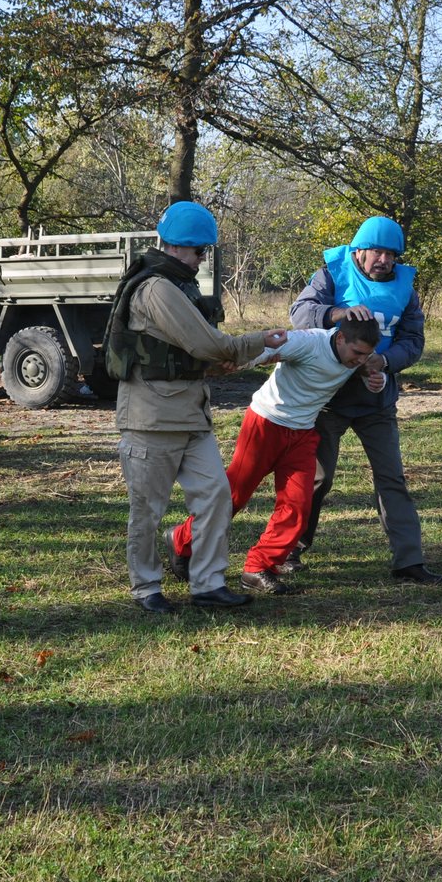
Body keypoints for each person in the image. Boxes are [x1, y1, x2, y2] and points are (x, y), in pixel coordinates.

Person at [110, 201, 287, 614]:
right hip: (150, 420)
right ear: (175, 247)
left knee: (215, 497)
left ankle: (207, 583)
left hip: (191, 415)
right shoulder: (157, 288)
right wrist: (257, 341)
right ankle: (146, 588)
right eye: (198, 250)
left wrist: (223, 361)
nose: (203, 257)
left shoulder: (178, 285)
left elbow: (194, 351)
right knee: (147, 512)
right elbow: (205, 343)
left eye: (204, 250)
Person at [166, 317, 381, 595]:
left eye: (366, 354)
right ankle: (181, 539)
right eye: (357, 354)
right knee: (234, 495)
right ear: (340, 338)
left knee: (298, 504)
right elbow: (268, 349)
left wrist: (377, 378)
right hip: (266, 423)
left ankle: (258, 567)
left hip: (303, 432)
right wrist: (237, 362)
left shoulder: (358, 354)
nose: (361, 360)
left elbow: (373, 366)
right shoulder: (309, 342)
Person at [288, 216, 442, 584]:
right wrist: (337, 313)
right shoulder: (331, 274)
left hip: (377, 398)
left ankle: (409, 562)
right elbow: (299, 314)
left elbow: (413, 340)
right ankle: (289, 550)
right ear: (359, 250)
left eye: (391, 255)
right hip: (328, 397)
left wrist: (386, 362)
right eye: (377, 251)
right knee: (316, 478)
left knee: (391, 477)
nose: (384, 260)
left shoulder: (406, 288)